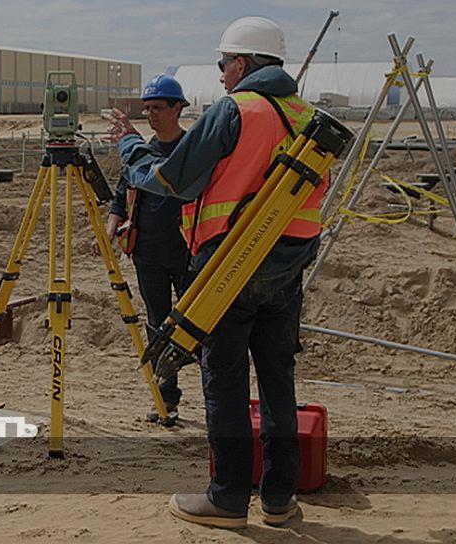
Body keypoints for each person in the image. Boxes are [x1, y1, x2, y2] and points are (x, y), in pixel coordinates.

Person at [108, 16, 323, 529]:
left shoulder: (237, 109)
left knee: (224, 383)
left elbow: (171, 178)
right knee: (278, 383)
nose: (222, 74)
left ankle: (227, 499)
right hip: (287, 270)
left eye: (224, 64)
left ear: (242, 64)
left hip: (230, 269)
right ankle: (279, 499)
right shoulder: (306, 115)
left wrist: (130, 146)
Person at [105, 75, 190, 427]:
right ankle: (166, 399)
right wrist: (109, 230)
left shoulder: (191, 151)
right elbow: (121, 195)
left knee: (196, 326)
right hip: (148, 253)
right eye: (147, 108)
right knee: (158, 325)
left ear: (177, 108)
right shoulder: (141, 153)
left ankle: (215, 396)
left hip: (188, 253)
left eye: (158, 107)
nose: (151, 114)